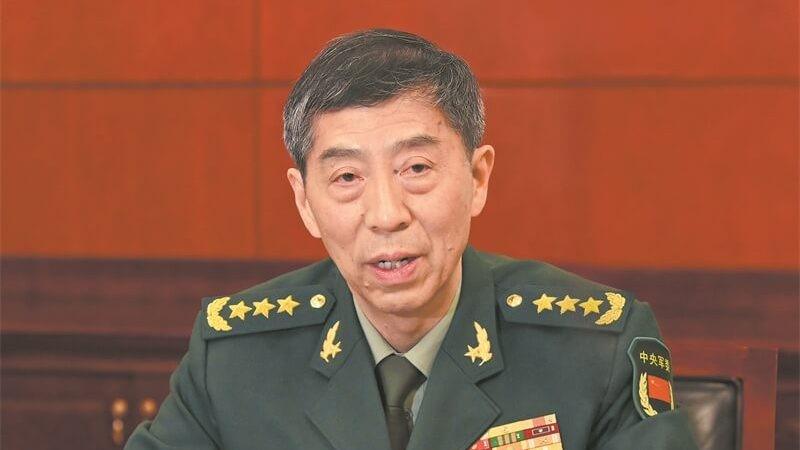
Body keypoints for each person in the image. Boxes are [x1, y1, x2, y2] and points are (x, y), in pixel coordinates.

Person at [126, 29, 699, 450]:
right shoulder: (234, 359)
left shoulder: (595, 348)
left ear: (478, 178)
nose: (386, 215)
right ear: (304, 201)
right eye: (347, 177)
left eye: (416, 169)